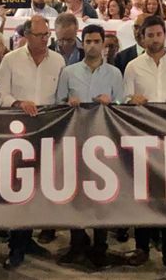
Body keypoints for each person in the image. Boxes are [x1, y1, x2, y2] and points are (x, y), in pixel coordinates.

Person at [123, 15, 166, 270]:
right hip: (142, 139)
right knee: (143, 195)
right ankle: (141, 247)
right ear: (142, 37)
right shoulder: (132, 66)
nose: (154, 39)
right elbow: (123, 100)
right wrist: (132, 101)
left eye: (158, 34)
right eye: (149, 35)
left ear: (165, 35)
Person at [0, 15, 66, 270]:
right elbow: (0, 94)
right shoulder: (11, 59)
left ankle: (28, 238)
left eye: (47, 35)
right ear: (27, 35)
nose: (45, 39)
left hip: (49, 133)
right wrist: (17, 103)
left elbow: (62, 96)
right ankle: (16, 244)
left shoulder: (58, 61)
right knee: (18, 189)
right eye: (40, 35)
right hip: (17, 134)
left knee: (39, 188)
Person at [55, 24, 124, 268]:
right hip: (75, 140)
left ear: (104, 43)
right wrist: (68, 102)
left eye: (97, 40)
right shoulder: (69, 72)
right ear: (82, 43)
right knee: (76, 195)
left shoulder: (115, 74)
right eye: (89, 41)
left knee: (103, 196)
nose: (93, 45)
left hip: (105, 142)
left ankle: (100, 246)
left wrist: (112, 101)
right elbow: (57, 103)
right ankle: (76, 244)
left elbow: (123, 107)